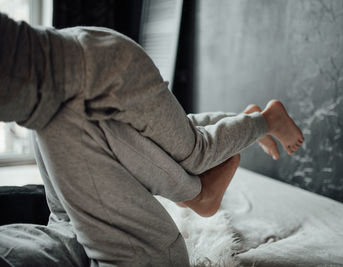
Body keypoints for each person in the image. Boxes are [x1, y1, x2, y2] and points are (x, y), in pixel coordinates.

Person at [0, 13, 304, 267]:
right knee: (179, 142)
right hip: (67, 92)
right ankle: (225, 150)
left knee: (196, 153)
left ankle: (267, 120)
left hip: (101, 69)